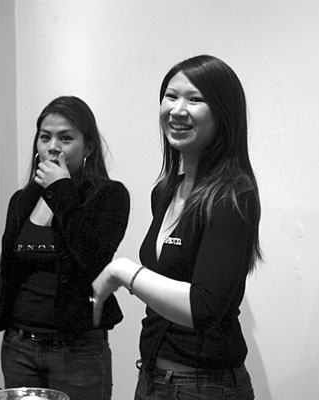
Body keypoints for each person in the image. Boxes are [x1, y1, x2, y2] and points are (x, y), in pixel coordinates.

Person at [0, 96, 130, 399]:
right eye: (45, 137)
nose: (53, 147)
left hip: (77, 352)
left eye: (66, 138)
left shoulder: (109, 196)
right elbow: (7, 283)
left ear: (88, 147)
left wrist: (61, 188)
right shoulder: (22, 201)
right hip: (19, 347)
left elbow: (91, 258)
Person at [91, 55, 260, 399]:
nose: (178, 110)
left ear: (223, 113)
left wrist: (123, 272)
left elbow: (203, 308)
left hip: (205, 385)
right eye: (171, 96)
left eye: (195, 99)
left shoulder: (232, 196)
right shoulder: (165, 192)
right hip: (154, 375)